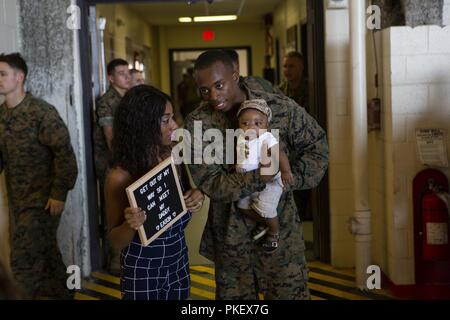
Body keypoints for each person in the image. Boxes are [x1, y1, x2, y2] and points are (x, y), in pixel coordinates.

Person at [185, 49, 328, 299]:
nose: (213, 96)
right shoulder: (198, 123)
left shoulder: (278, 108)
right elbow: (210, 182)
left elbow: (317, 147)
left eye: (219, 85)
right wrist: (260, 177)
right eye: (204, 90)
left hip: (281, 239)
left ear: (235, 76)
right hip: (231, 241)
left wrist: (284, 181)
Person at [104, 85, 205, 300]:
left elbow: (184, 201)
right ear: (143, 125)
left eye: (172, 117)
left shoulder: (173, 156)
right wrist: (130, 225)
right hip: (141, 268)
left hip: (178, 260)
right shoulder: (119, 176)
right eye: (165, 120)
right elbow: (115, 240)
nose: (175, 126)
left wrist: (197, 196)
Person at [0, 53, 78, 299]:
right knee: (46, 255)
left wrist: (58, 194)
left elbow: (65, 155)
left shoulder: (41, 112)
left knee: (22, 259)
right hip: (18, 201)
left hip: (43, 201)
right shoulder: (2, 116)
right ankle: (64, 293)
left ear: (19, 77)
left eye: (2, 74)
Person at [236, 99, 294, 253]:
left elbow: (280, 155)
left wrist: (286, 171)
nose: (251, 127)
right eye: (245, 123)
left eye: (258, 123)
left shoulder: (267, 138)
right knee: (241, 206)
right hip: (247, 182)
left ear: (266, 126)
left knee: (266, 207)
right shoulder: (240, 138)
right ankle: (264, 222)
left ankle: (274, 232)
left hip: (269, 183)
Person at [93, 58, 130, 275]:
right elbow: (110, 137)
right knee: (114, 210)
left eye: (127, 72)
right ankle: (115, 260)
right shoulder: (107, 101)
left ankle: (126, 255)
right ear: (111, 78)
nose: (126, 76)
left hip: (128, 162)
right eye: (121, 73)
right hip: (113, 164)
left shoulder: (129, 98)